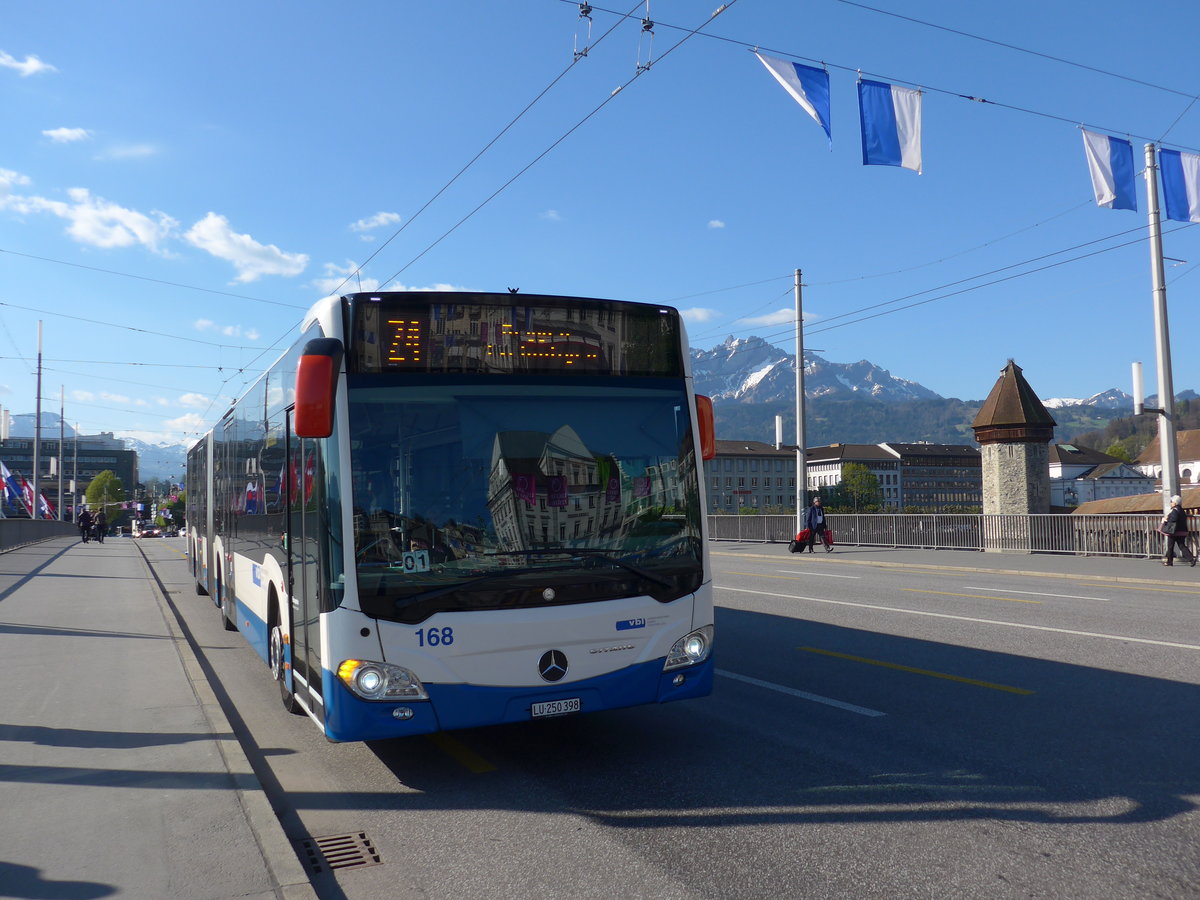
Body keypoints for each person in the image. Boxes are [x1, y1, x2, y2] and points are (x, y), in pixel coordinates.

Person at [1161, 495, 1195, 567]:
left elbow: (1173, 519)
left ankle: (1169, 562)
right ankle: (1191, 559)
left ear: (1175, 503)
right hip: (1182, 531)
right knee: (1182, 546)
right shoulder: (1182, 510)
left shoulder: (1174, 511)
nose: (1170, 503)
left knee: (1170, 546)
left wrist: (1166, 519)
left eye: (1171, 502)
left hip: (1173, 532)